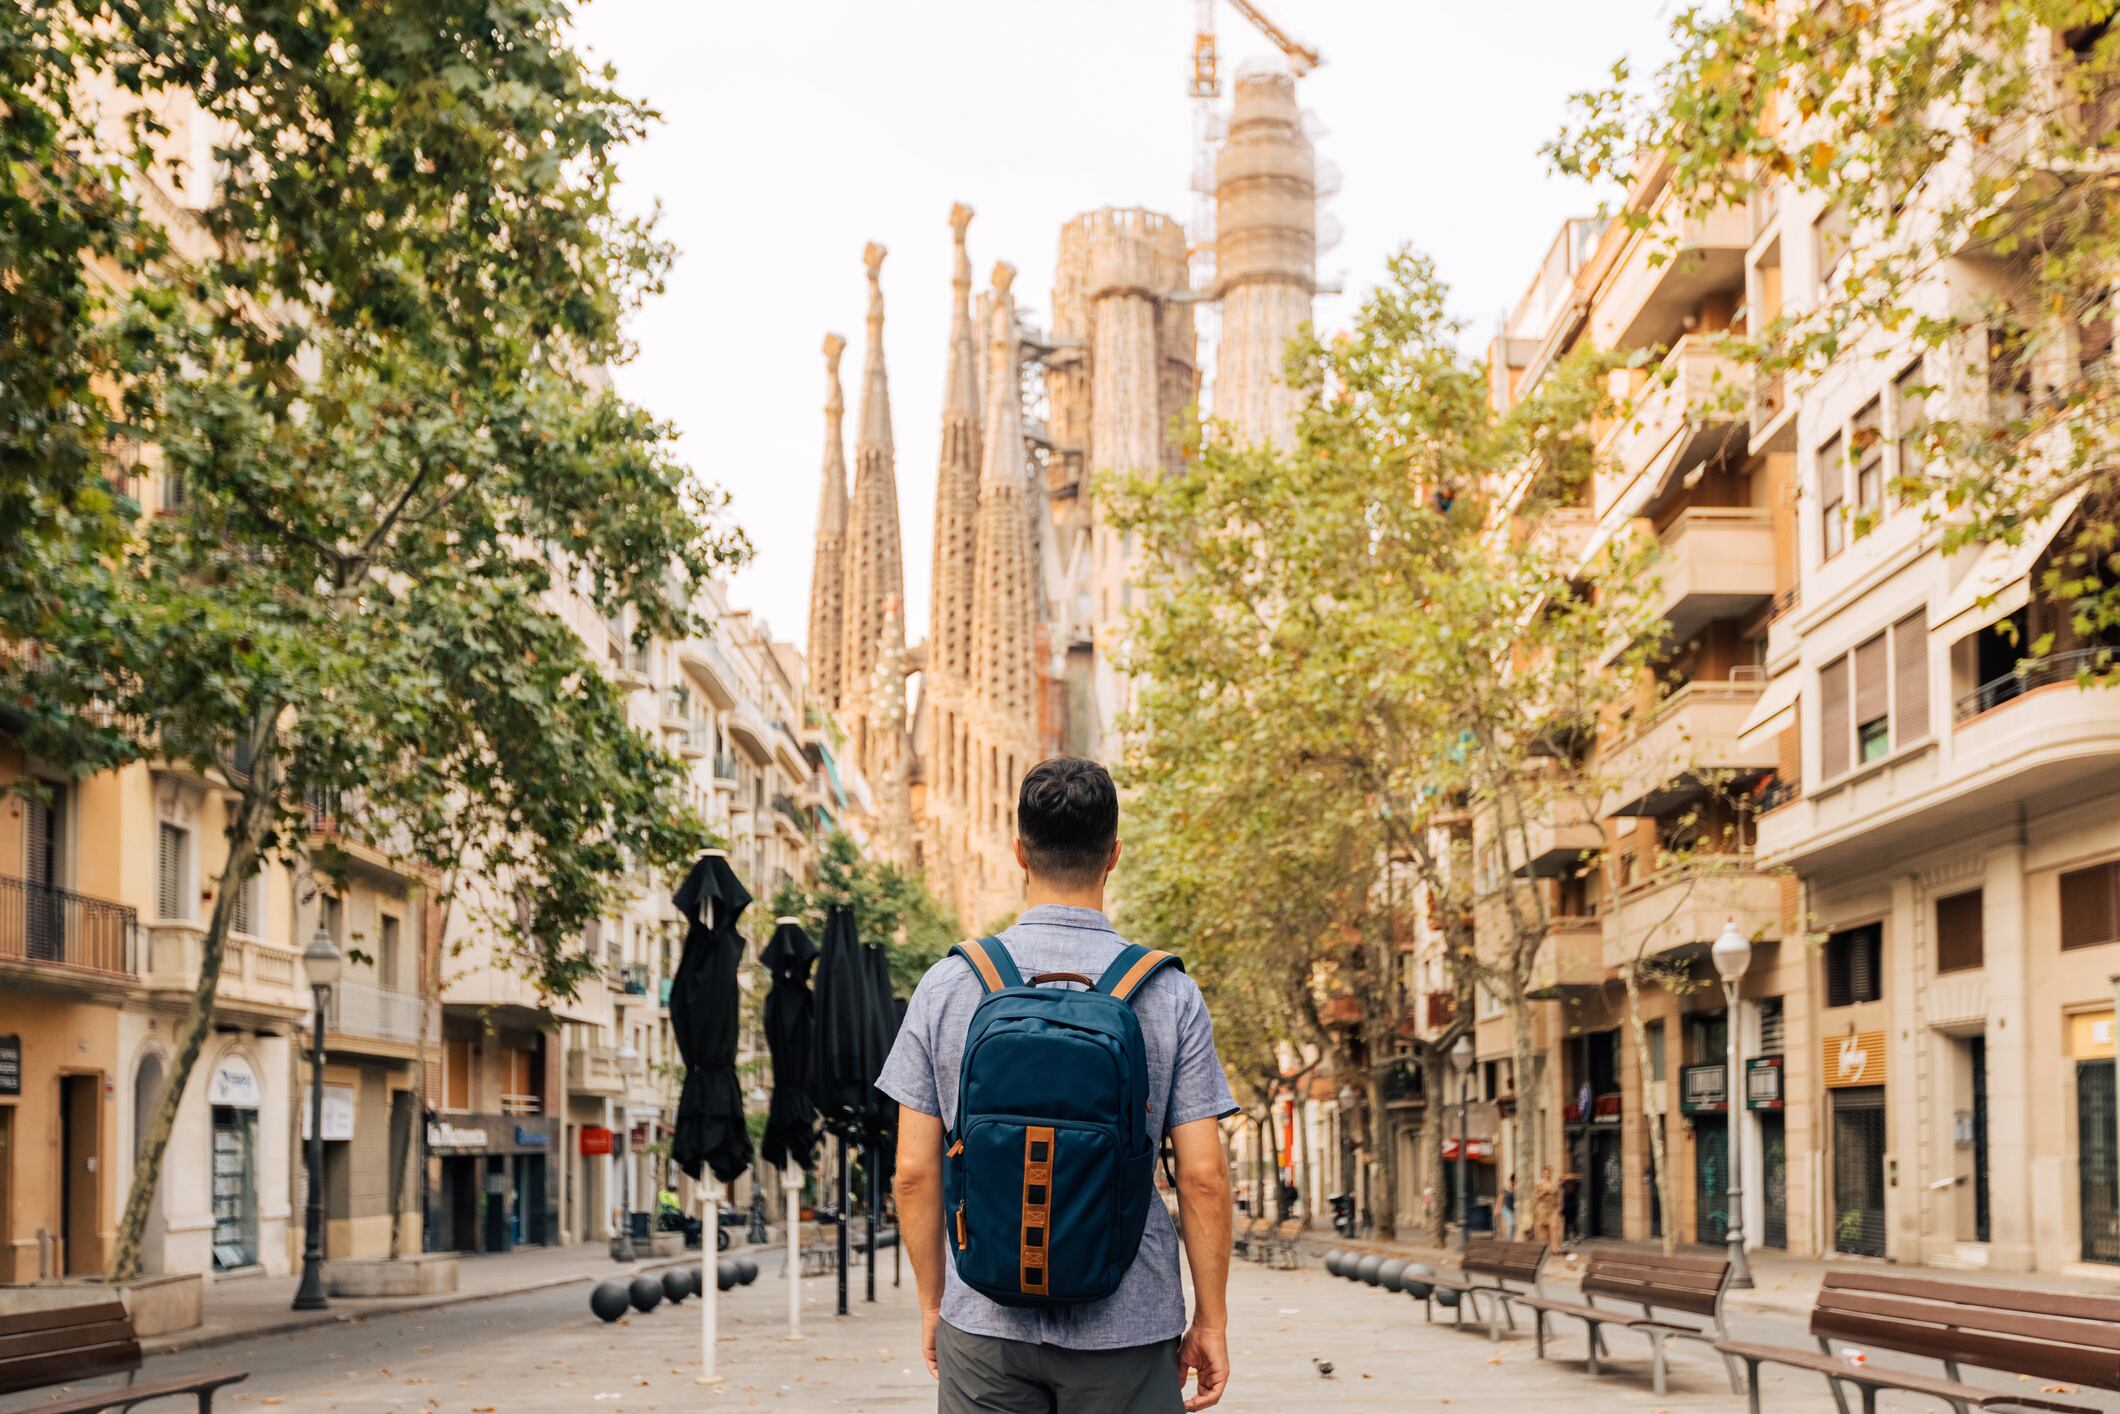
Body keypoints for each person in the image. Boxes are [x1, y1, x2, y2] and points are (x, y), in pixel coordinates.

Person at [880, 755, 1239, 1413]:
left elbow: (912, 1172)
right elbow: (1203, 1177)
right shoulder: (1169, 993)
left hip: (983, 1320)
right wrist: (1210, 1320)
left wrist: (936, 1303)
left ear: (1020, 853)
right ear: (1114, 855)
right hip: (1127, 1325)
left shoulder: (948, 984)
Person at [1532, 1164, 1562, 1253]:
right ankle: (1546, 1247)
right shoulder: (1539, 1183)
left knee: (1554, 1227)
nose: (1547, 1174)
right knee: (1544, 1229)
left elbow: (1558, 1195)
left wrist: (1559, 1206)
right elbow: (1536, 1196)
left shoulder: (1554, 1183)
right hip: (1542, 1208)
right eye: (1545, 1173)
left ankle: (1555, 1247)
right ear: (1542, 1173)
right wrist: (1543, 1193)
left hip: (1553, 1208)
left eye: (1549, 1173)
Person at [1500, 1173, 1518, 1242]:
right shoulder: (1507, 1187)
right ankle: (1509, 1241)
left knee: (1513, 1225)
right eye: (1514, 1180)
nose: (1514, 1182)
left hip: (1512, 1209)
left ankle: (1512, 1239)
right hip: (1505, 1208)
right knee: (1510, 1223)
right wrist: (1497, 1209)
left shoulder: (1516, 1188)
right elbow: (1500, 1198)